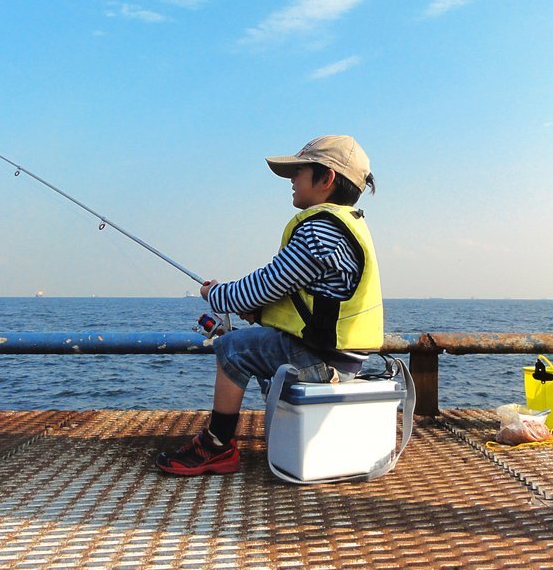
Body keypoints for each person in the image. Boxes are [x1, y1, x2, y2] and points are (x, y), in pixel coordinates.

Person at [154, 135, 383, 476]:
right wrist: (262, 314)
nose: (291, 180)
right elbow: (309, 299)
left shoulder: (320, 232)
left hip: (320, 362)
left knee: (232, 348)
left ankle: (217, 445)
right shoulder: (346, 225)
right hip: (341, 360)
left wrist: (215, 294)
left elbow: (261, 286)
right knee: (260, 344)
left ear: (327, 179)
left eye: (299, 171)